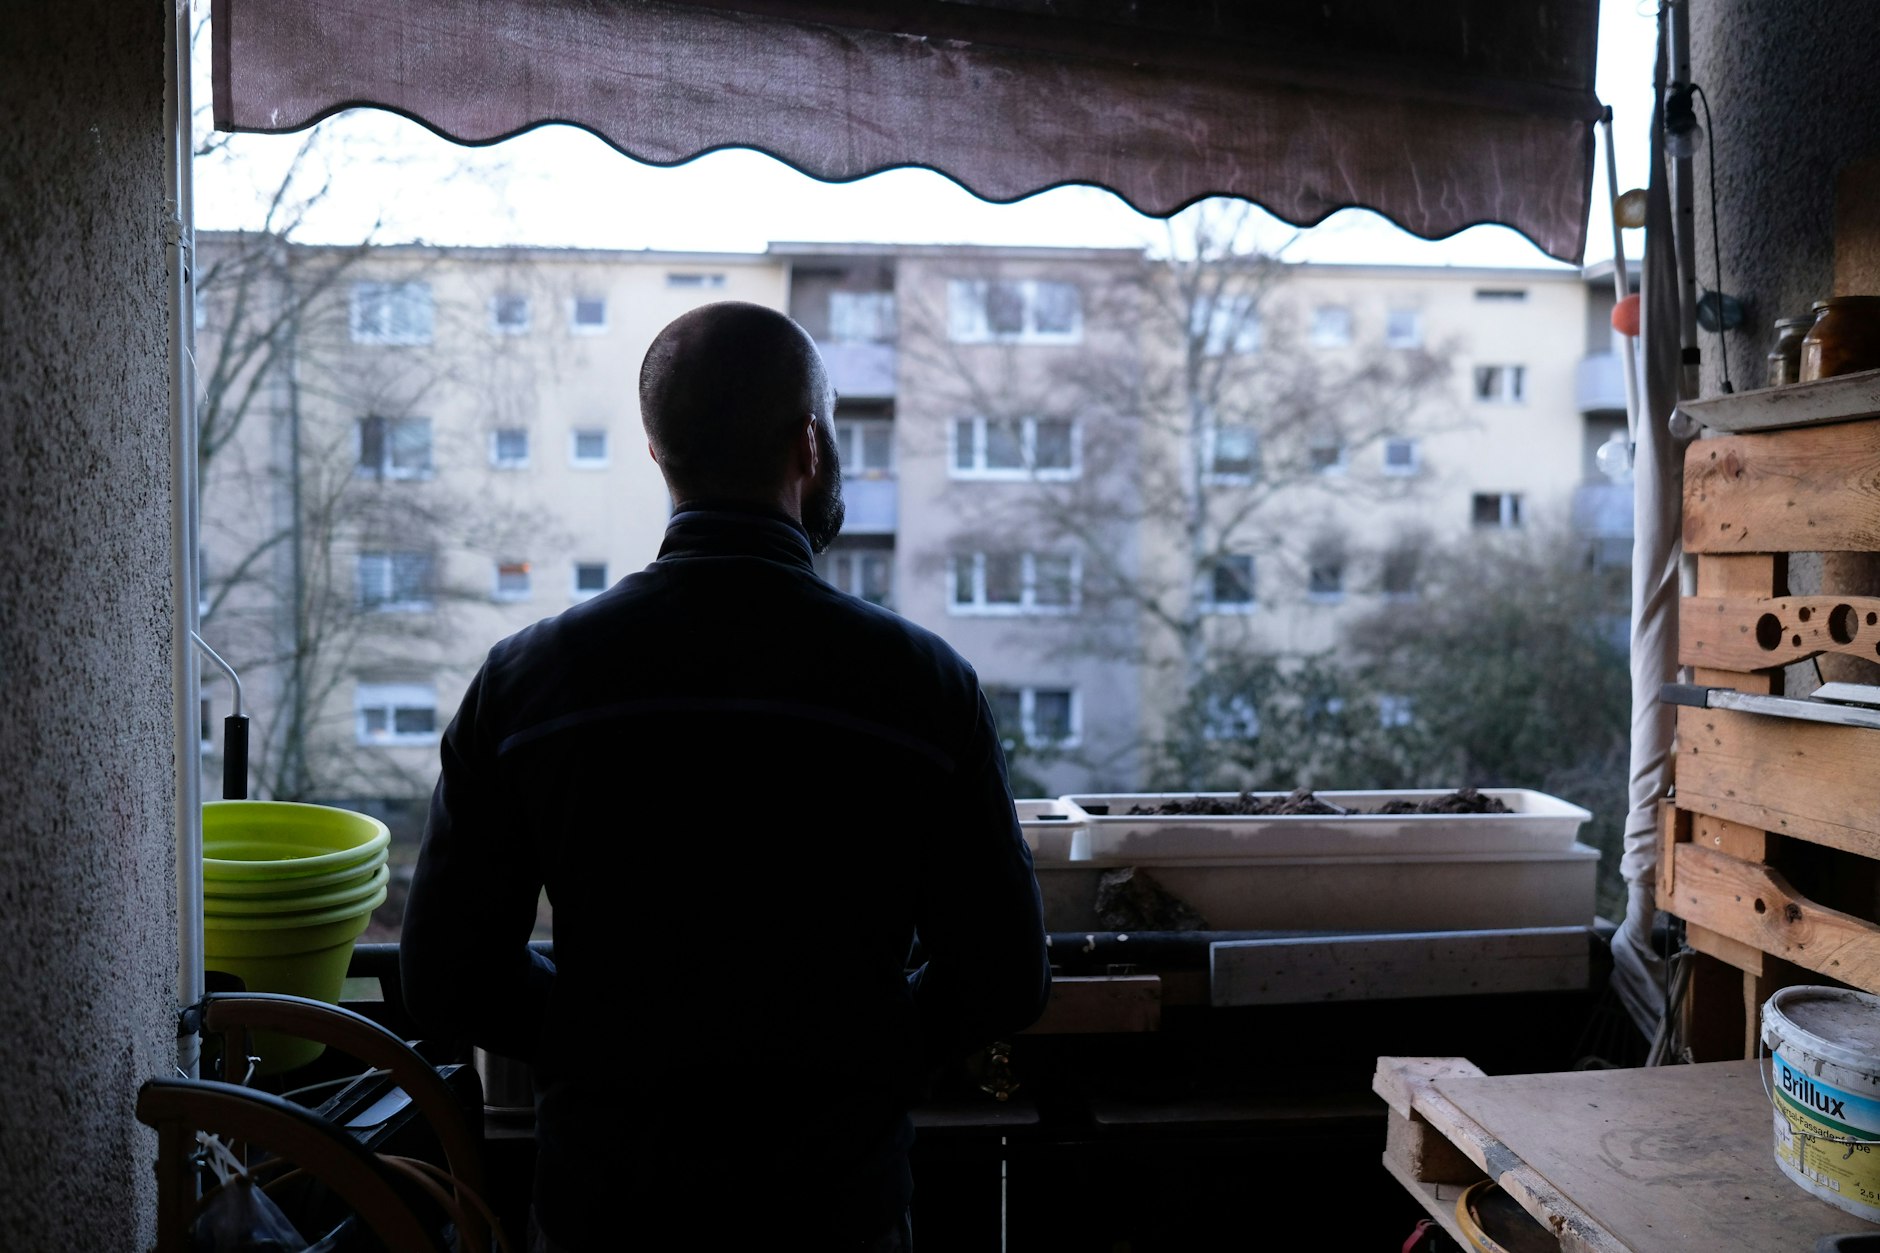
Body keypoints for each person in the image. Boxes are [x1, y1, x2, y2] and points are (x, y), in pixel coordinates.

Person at [400, 301, 1052, 1251]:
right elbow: (1005, 979)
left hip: (605, 1210)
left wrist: (605, 1036)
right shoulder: (922, 690)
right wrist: (858, 1048)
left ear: (660, 456)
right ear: (810, 446)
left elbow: (444, 980)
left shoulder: (529, 682)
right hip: (836, 1211)